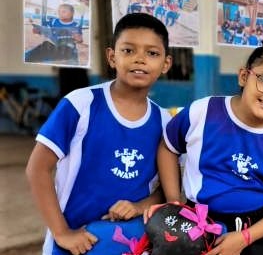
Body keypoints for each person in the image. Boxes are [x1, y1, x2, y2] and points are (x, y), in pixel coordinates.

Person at [26, 13, 173, 255]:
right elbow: (37, 169)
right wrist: (62, 233)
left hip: (132, 243)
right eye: (128, 50)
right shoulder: (80, 104)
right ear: (111, 57)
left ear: (166, 64)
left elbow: (166, 190)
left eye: (152, 53)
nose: (139, 59)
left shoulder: (165, 121)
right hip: (74, 243)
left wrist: (138, 207)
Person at [158, 40, 263, 255]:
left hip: (260, 233)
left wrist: (246, 237)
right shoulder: (203, 112)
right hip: (199, 225)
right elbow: (167, 147)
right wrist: (174, 203)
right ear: (244, 77)